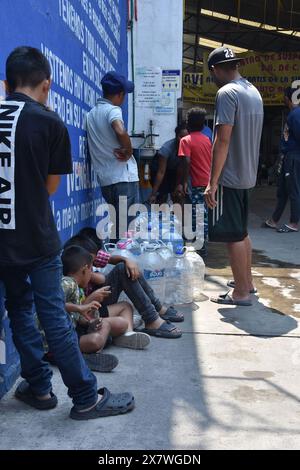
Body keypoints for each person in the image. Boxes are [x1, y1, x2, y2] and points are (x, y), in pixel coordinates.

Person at [0, 46, 134, 420]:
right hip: (36, 237)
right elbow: (50, 187)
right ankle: (85, 397)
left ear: (9, 83)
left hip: (2, 240)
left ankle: (40, 388)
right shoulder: (50, 122)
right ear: (46, 84)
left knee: (18, 309)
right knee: (53, 314)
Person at [204, 46, 264, 306]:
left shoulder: (227, 93)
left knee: (232, 236)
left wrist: (212, 182)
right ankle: (246, 284)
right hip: (248, 174)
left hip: (230, 176)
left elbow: (222, 139)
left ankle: (240, 293)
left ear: (215, 69)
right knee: (241, 232)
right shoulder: (252, 91)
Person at [65, 231, 184, 338]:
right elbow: (75, 311)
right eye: (90, 263)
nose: (93, 263)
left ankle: (157, 308)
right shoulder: (69, 276)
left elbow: (109, 261)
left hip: (96, 302)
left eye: (94, 260)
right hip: (87, 312)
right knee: (122, 271)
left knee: (127, 267)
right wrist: (93, 291)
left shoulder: (89, 255)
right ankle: (151, 319)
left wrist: (127, 260)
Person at [86, 72, 139, 242]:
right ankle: (123, 266)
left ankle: (116, 263)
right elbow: (119, 130)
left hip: (107, 181)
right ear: (120, 94)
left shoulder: (91, 115)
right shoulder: (113, 110)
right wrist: (129, 150)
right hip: (123, 178)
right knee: (126, 232)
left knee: (118, 228)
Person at [177, 108, 212, 254]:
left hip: (196, 182)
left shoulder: (186, 140)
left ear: (188, 124)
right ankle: (201, 246)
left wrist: (184, 182)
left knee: (196, 215)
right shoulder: (206, 140)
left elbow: (186, 161)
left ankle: (200, 248)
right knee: (202, 214)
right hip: (207, 182)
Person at [265, 87, 300, 233]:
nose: (283, 99)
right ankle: (274, 220)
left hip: (294, 156)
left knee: (294, 190)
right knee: (283, 190)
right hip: (288, 156)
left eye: (285, 96)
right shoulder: (293, 114)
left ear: (288, 98)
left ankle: (294, 223)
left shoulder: (296, 114)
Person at [148, 123, 188, 204]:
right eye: (181, 137)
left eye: (186, 137)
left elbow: (184, 168)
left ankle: (178, 214)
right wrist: (154, 193)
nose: (183, 140)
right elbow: (161, 172)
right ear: (176, 136)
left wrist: (181, 184)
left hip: (174, 170)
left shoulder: (189, 147)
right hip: (159, 169)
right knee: (162, 195)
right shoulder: (166, 148)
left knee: (179, 194)